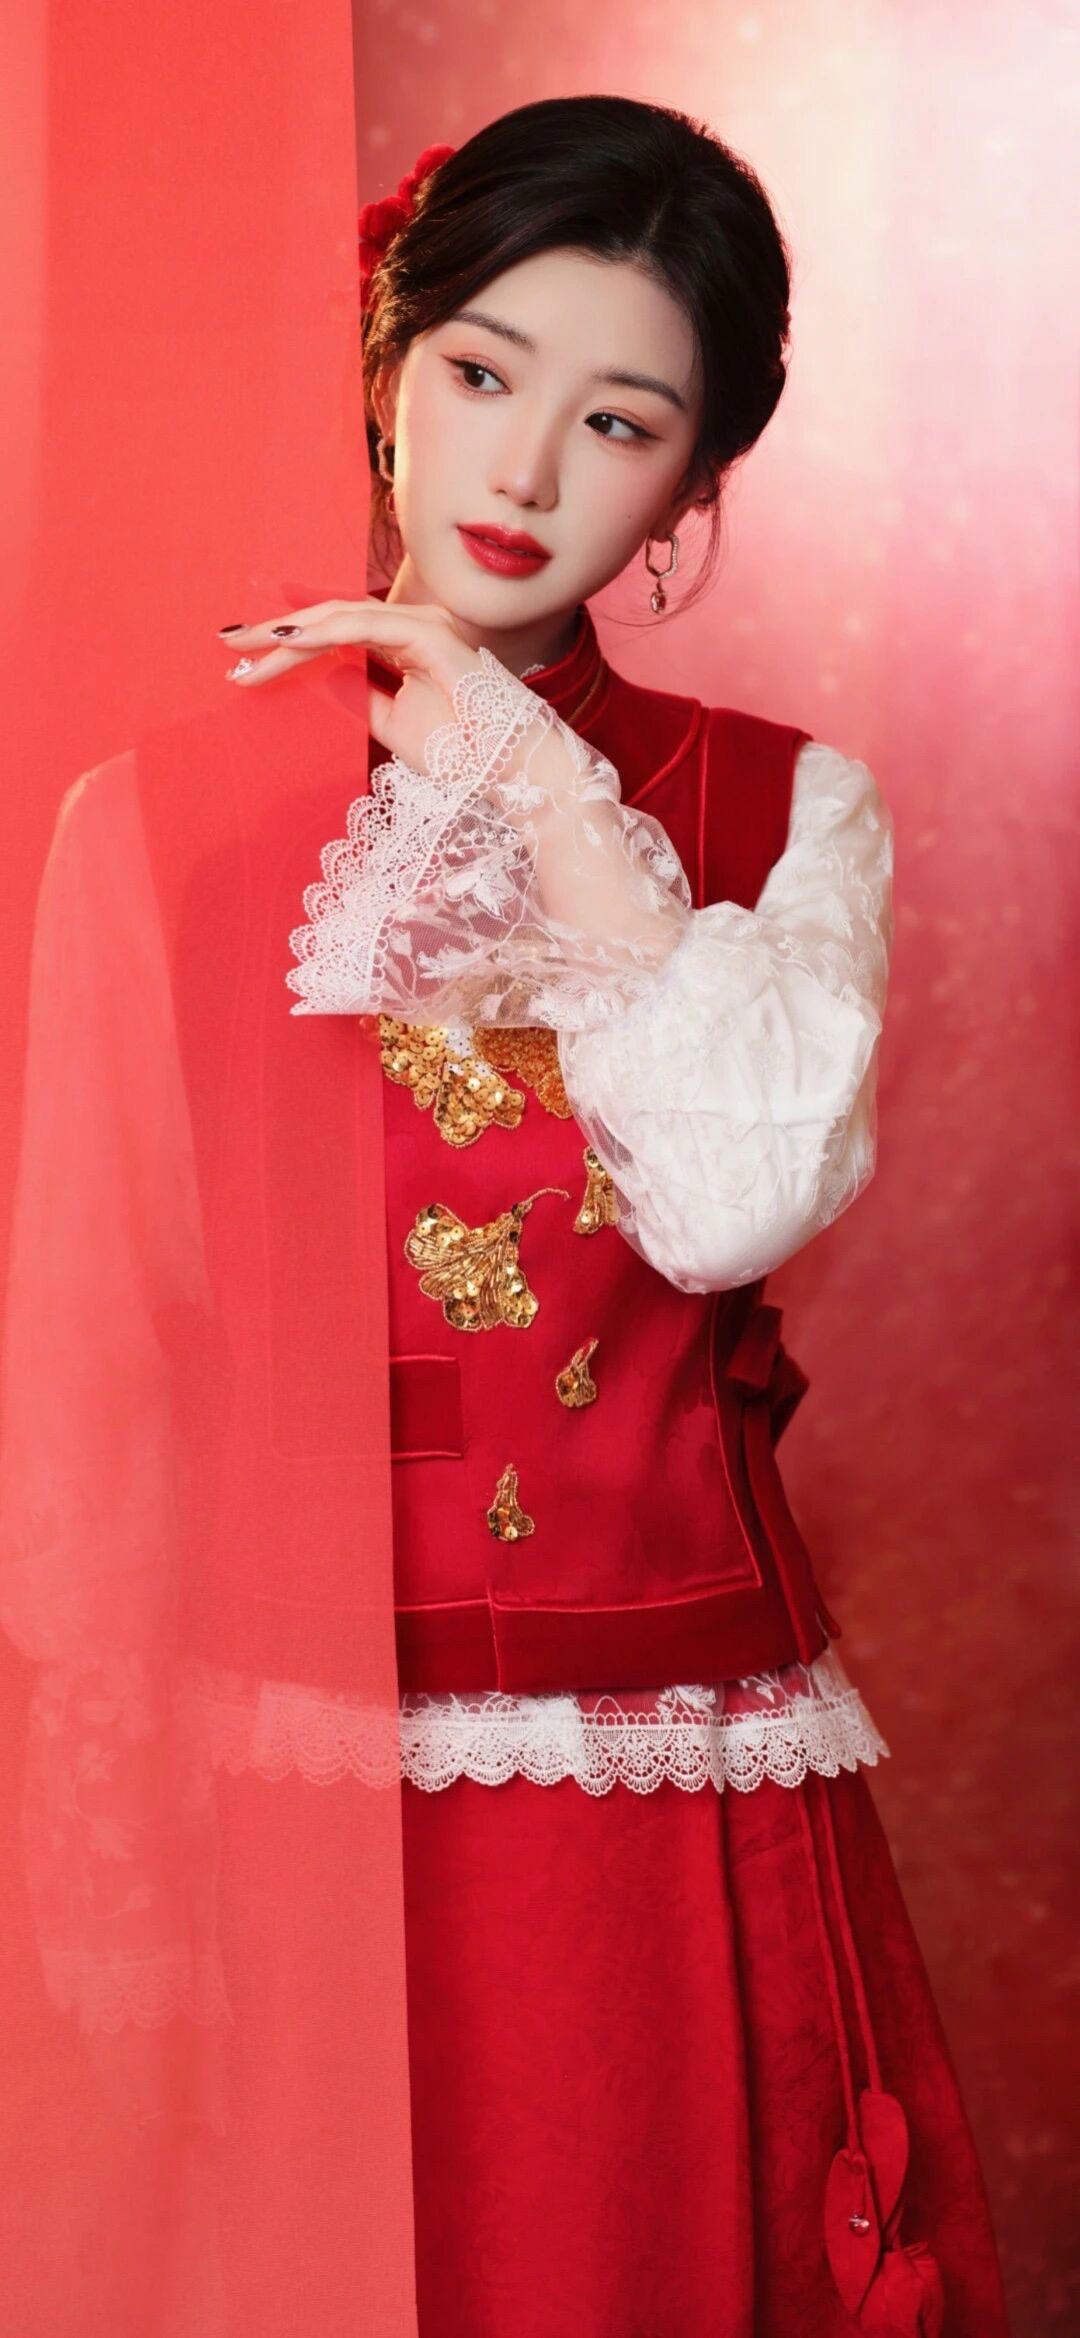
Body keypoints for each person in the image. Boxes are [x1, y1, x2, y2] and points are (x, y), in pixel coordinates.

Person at [212, 96, 1011, 2336]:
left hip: (643, 1757)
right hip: (259, 1755)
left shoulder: (775, 809)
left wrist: (534, 780)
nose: (527, 470)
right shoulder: (175, 799)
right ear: (386, 359)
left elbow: (734, 1206)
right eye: (482, 370)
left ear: (695, 484)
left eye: (622, 421)